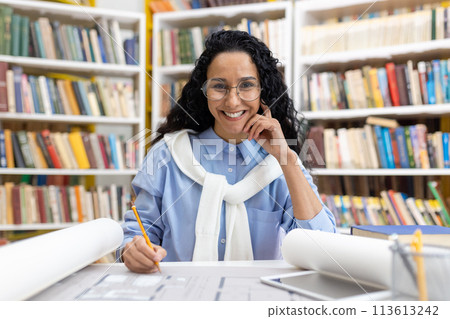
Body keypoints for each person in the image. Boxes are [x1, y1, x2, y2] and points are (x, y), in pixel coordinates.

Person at [118, 30, 336, 273]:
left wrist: (286, 158)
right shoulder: (167, 155)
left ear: (263, 91)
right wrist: (132, 250)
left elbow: (323, 248)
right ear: (204, 92)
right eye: (219, 86)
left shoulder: (280, 163)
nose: (233, 101)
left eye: (247, 85)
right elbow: (138, 233)